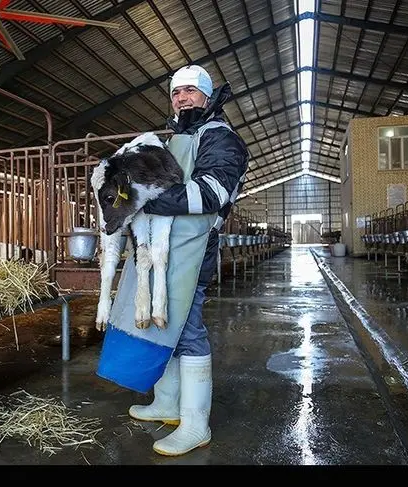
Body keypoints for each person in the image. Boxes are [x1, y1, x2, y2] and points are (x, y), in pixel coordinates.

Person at [127, 65, 249, 456]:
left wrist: (149, 198)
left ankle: (196, 423)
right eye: (176, 93)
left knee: (188, 327)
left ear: (207, 97)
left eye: (190, 92)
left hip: (195, 249)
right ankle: (168, 402)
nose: (181, 98)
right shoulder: (179, 138)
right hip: (166, 247)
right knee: (168, 327)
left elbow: (211, 193)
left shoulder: (220, 137)